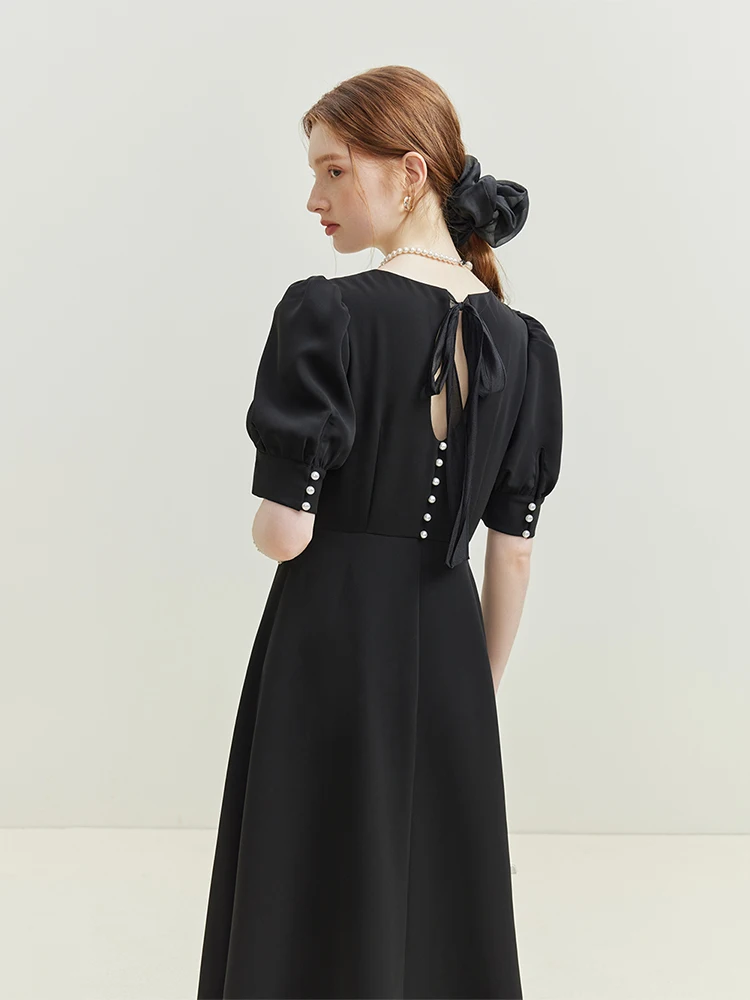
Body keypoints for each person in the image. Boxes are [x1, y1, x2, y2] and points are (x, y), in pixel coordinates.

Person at [197, 65, 563, 1000]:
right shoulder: (523, 343)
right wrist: (473, 686)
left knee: (305, 878)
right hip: (450, 643)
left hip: (330, 638)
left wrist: (273, 504)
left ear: (410, 173)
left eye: (333, 171)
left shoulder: (327, 313)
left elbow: (285, 533)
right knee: (438, 898)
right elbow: (514, 550)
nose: (314, 199)